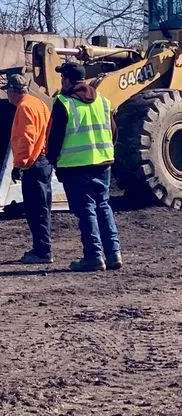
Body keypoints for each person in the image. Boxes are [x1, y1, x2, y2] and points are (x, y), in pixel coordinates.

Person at [47, 61, 122, 272]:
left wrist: (54, 161)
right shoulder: (103, 101)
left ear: (69, 80)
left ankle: (94, 256)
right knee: (103, 206)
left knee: (87, 210)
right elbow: (114, 132)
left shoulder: (63, 102)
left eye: (63, 77)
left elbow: (55, 138)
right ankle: (113, 253)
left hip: (76, 167)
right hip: (103, 163)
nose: (61, 81)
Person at [4, 72, 53, 264]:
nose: (7, 95)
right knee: (43, 208)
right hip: (44, 160)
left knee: (35, 209)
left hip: (33, 163)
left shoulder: (24, 108)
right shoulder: (38, 104)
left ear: (14, 91)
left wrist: (19, 165)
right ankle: (42, 248)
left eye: (8, 90)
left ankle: (42, 251)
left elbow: (26, 138)